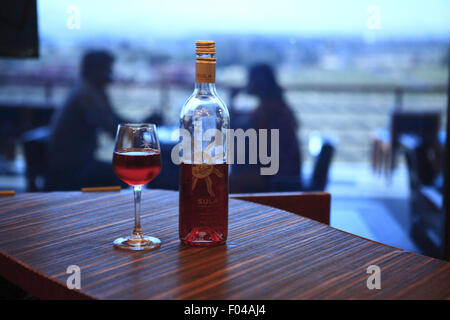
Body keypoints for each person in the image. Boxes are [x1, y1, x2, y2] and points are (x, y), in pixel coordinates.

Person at [46, 50, 125, 190]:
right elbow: (112, 128)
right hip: (71, 169)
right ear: (95, 70)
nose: (110, 74)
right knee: (123, 175)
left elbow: (114, 119)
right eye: (108, 69)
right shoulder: (86, 95)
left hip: (78, 163)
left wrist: (141, 124)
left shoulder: (92, 91)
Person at [229, 63, 302, 193]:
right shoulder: (276, 106)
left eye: (250, 79)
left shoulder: (268, 110)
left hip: (273, 178)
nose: (247, 83)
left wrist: (231, 101)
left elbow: (241, 127)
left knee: (222, 182)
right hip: (280, 174)